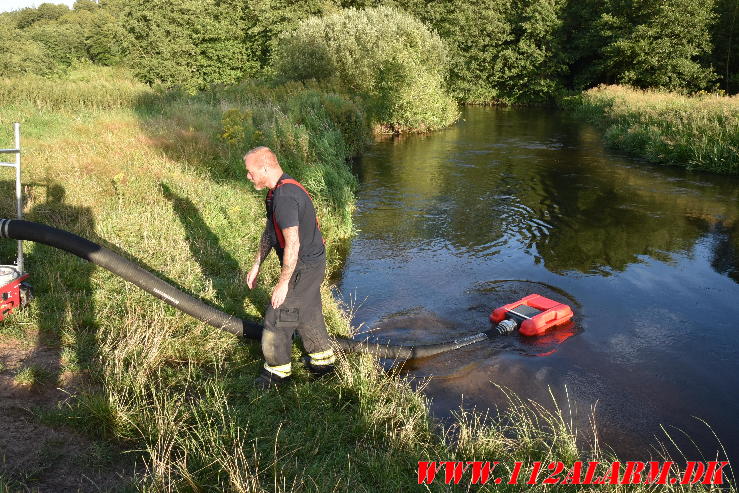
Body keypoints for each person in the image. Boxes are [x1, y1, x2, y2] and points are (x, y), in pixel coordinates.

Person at [243, 146, 335, 388]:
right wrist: (257, 264)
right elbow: (270, 232)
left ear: (265, 168)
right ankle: (323, 363)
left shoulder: (284, 197)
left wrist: (283, 284)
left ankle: (276, 373)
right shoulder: (276, 192)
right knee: (308, 312)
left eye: (250, 172)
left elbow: (292, 244)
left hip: (304, 264)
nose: (248, 176)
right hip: (310, 262)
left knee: (277, 315)